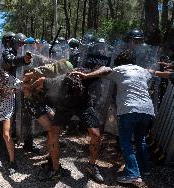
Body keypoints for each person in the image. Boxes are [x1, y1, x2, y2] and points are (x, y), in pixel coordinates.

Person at [73, 49, 154, 184]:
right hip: (148, 110)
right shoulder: (142, 70)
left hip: (130, 108)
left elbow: (104, 70)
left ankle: (133, 174)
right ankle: (144, 169)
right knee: (140, 140)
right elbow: (153, 73)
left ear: (119, 62)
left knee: (125, 142)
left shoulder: (120, 69)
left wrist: (86, 76)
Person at [28, 66, 104, 182]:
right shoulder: (57, 81)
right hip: (64, 107)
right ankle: (55, 168)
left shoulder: (85, 77)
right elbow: (41, 80)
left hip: (83, 106)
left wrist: (88, 75)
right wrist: (31, 88)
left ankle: (92, 166)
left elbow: (107, 69)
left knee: (96, 135)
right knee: (53, 135)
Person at [2, 32, 41, 152]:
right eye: (19, 43)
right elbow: (10, 61)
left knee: (28, 116)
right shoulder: (7, 52)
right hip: (11, 88)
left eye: (23, 44)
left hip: (26, 88)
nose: (21, 46)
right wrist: (23, 60)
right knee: (11, 118)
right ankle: (9, 145)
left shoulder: (29, 53)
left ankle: (29, 143)